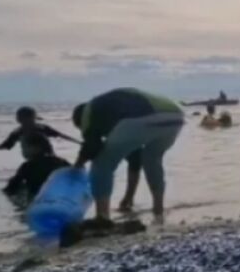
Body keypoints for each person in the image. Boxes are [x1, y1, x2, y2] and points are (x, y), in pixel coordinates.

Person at [72, 88, 185, 224]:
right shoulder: (111, 110)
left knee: (102, 163)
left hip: (141, 117)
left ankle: (102, 217)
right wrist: (128, 197)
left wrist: (77, 166)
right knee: (152, 158)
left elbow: (91, 147)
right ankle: (158, 209)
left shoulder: (88, 113)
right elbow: (135, 159)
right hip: (175, 117)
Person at [3, 132, 71, 203]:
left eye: (23, 147)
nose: (22, 151)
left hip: (37, 199)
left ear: (36, 148)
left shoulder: (28, 166)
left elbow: (10, 189)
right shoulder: (61, 162)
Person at [0, 106, 79, 154]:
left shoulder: (42, 128)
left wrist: (79, 143)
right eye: (18, 116)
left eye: (20, 116)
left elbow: (61, 135)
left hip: (49, 157)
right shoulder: (17, 132)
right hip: (32, 159)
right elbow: (6, 145)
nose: (18, 119)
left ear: (32, 118)